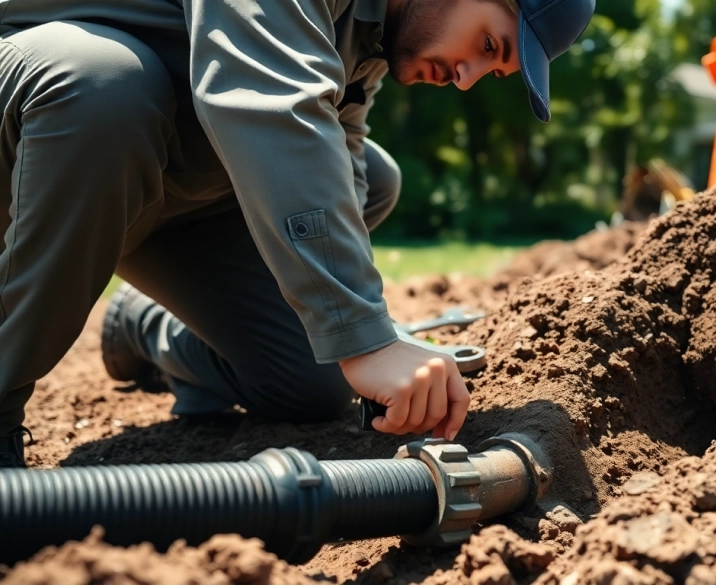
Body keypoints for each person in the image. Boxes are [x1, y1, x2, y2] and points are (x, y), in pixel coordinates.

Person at [0, 0, 596, 468]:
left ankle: (147, 323)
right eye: (488, 44)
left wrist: (363, 326)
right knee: (104, 86)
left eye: (493, 70)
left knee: (314, 375)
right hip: (38, 136)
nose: (467, 79)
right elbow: (268, 102)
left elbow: (343, 147)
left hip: (146, 195)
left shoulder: (374, 32)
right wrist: (366, 339)